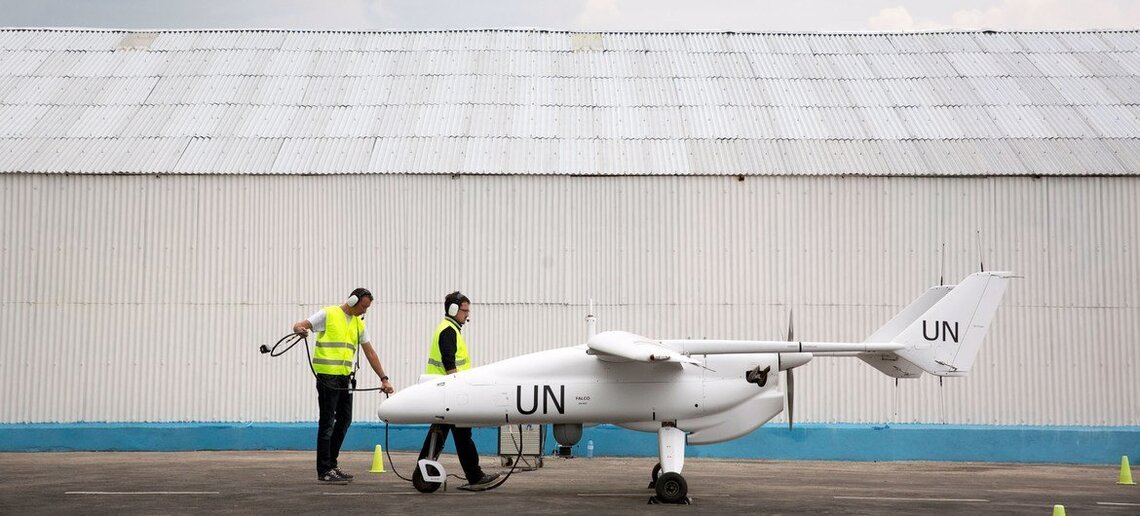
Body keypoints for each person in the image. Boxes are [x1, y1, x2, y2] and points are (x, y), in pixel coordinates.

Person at [292, 287, 394, 484]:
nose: (365, 311)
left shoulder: (358, 324)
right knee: (327, 422)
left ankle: (332, 464)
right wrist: (300, 330)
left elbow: (370, 353)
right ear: (353, 300)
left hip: (345, 378)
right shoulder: (328, 314)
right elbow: (299, 325)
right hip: (327, 377)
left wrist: (384, 378)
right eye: (363, 307)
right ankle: (324, 470)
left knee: (345, 420)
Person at [417, 291, 500, 490]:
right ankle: (474, 476)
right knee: (462, 436)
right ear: (453, 310)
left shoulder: (450, 329)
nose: (467, 315)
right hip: (450, 393)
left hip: (445, 392)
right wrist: (457, 386)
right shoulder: (448, 331)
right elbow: (448, 361)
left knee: (438, 434)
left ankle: (422, 474)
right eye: (465, 311)